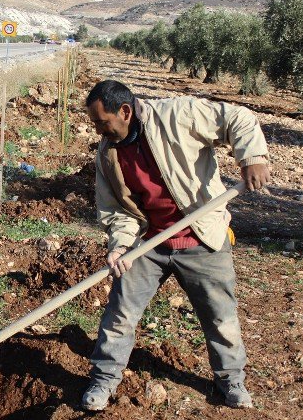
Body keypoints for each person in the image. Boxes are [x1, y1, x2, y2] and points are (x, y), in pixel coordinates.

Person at [81, 80, 270, 411]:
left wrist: (252, 156)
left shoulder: (178, 114)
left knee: (219, 315)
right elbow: (116, 210)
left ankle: (230, 380)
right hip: (148, 243)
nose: (97, 130)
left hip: (200, 236)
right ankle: (104, 378)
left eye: (101, 122)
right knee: (120, 314)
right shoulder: (107, 153)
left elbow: (237, 117)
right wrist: (121, 244)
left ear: (124, 111)